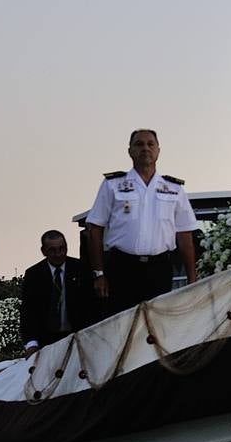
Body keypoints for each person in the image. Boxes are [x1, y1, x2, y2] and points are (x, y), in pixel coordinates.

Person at [86, 129, 199, 313]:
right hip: (122, 268)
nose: (145, 148)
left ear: (158, 150)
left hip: (159, 269)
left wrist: (192, 279)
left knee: (157, 327)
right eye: (139, 144)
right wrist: (99, 273)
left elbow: (185, 234)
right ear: (130, 151)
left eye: (150, 144)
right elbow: (95, 228)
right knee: (123, 327)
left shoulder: (174, 189)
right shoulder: (113, 184)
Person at [20, 229, 94, 355]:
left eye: (62, 249)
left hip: (77, 336)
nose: (58, 254)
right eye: (52, 250)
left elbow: (91, 305)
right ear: (44, 251)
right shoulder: (34, 274)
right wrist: (31, 344)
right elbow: (28, 311)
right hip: (45, 339)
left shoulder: (81, 269)